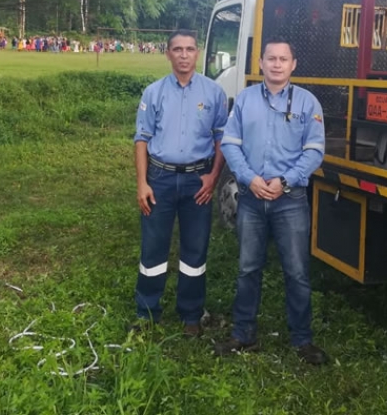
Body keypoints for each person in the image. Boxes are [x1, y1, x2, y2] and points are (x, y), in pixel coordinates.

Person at [214, 35, 328, 365]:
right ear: (261, 63)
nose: (277, 64)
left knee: (296, 272)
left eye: (283, 59)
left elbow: (314, 150)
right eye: (271, 59)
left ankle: (302, 340)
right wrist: (250, 178)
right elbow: (230, 144)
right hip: (251, 198)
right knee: (248, 268)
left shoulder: (308, 103)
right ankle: (243, 334)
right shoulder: (246, 100)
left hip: (290, 200)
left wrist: (285, 180)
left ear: (293, 65)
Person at [132, 29, 228, 337]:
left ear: (198, 53)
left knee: (194, 251)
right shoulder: (154, 92)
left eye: (189, 49)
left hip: (196, 182)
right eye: (177, 49)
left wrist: (213, 177)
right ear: (168, 54)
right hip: (158, 180)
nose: (184, 55)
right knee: (153, 249)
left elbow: (221, 139)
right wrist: (142, 183)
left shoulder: (214, 93)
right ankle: (147, 311)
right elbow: (141, 140)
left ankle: (191, 313)